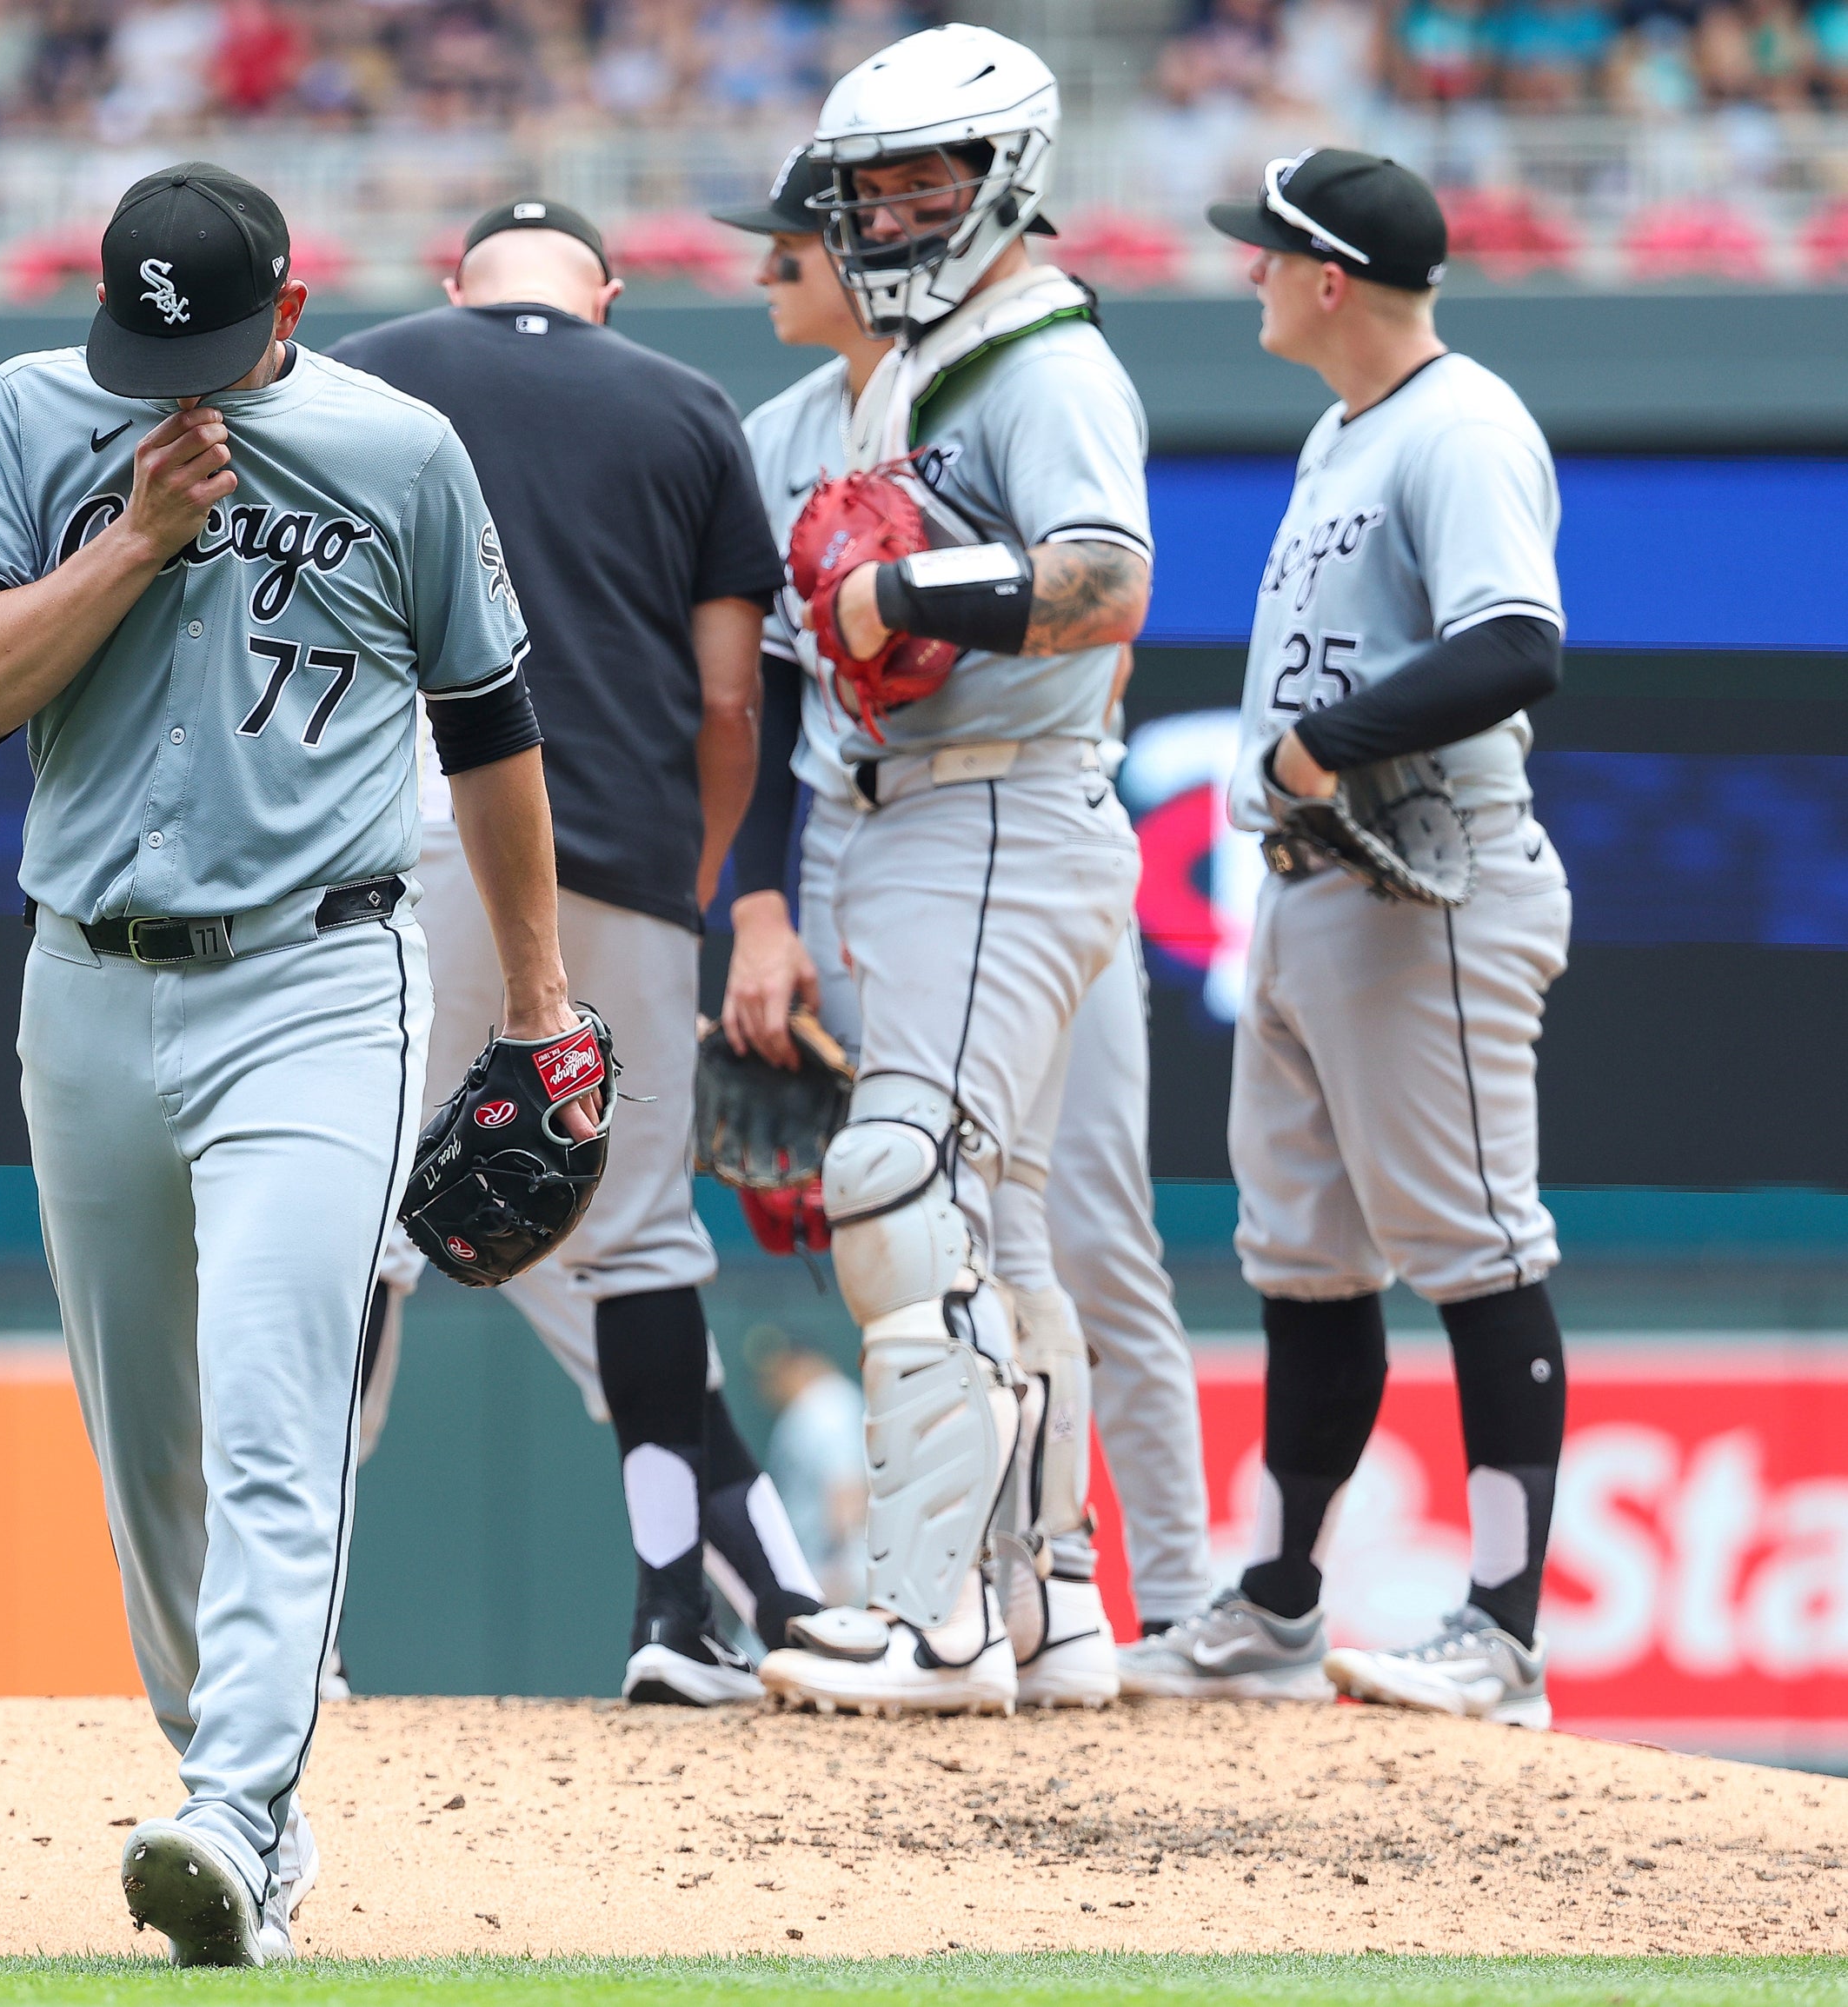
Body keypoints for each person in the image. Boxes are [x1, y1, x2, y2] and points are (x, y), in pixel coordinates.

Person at [0, 163, 583, 1965]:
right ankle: (240, 1799)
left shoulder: (400, 453)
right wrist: (131, 535)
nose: (167, 377)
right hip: (87, 979)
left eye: (204, 342)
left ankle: (229, 1806)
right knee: (151, 1453)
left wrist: (538, 995)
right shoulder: (32, 417)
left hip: (313, 979)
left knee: (279, 1402)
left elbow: (492, 723)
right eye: (143, 343)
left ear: (288, 315)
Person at [715, 140, 1218, 1702]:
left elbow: (1108, 583)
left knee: (901, 1177)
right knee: (998, 1227)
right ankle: (1054, 1597)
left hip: (991, 804)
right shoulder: (879, 390)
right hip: (940, 810)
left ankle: (931, 1617)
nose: (791, 254)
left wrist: (903, 599)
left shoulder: (1040, 360)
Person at [324, 199, 826, 1708]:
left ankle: (294, 1637)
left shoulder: (358, 377)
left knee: (354, 1233)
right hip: (612, 845)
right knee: (641, 1244)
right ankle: (677, 1615)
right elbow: (730, 699)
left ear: (449, 282)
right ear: (608, 292)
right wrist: (691, 873)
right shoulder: (685, 404)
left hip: (394, 841)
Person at [1121, 151, 1569, 1728]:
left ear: (1326, 279)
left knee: (1474, 1244)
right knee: (1303, 1257)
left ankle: (1501, 1631)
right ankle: (1277, 1603)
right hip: (1314, 892)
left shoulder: (1460, 423)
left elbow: (1515, 642)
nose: (1245, 272)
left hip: (1423, 885)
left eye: (1264, 254)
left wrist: (1317, 745)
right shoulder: (1340, 430)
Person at [746, 1326, 868, 1610]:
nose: (769, 1385)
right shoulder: (822, 1405)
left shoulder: (827, 1407)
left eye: (777, 1372)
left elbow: (847, 1491)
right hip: (812, 1570)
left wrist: (842, 1571)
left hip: (826, 1574)